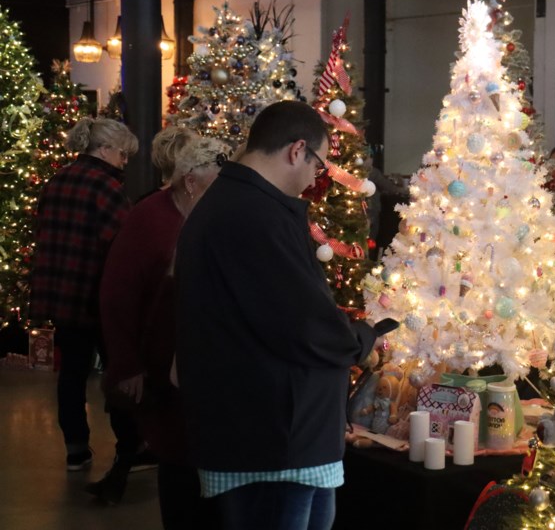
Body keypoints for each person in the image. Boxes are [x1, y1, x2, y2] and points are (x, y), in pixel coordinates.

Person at [176, 101, 378, 530]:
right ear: (296, 150)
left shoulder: (239, 204)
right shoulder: (253, 214)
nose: (314, 179)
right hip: (271, 443)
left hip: (284, 439)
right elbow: (303, 323)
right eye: (318, 165)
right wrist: (362, 338)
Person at [99, 136, 228, 520]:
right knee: (176, 459)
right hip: (157, 365)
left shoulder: (208, 218)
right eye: (215, 184)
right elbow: (116, 295)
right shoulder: (150, 217)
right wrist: (126, 365)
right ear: (191, 181)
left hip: (195, 364)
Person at [30, 117, 139, 475]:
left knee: (72, 375)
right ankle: (129, 446)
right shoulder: (106, 188)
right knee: (119, 371)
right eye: (123, 154)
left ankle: (76, 449)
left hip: (62, 294)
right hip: (98, 296)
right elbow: (124, 247)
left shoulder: (55, 181)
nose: (124, 162)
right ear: (105, 149)